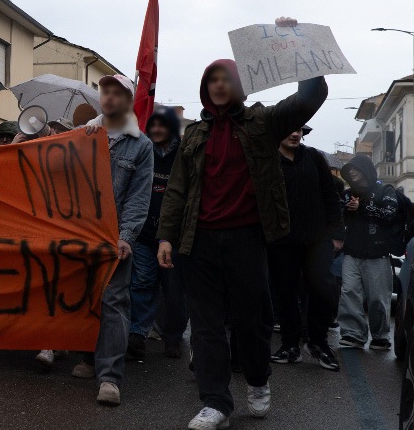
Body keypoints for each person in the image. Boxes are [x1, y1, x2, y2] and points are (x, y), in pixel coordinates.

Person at [156, 60, 327, 429]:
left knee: (251, 321)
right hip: (199, 240)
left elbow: (310, 98)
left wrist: (296, 46)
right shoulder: (194, 134)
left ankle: (257, 378)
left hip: (247, 238)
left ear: (241, 86)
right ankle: (216, 401)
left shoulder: (262, 123)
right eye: (212, 80)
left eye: (226, 79)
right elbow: (177, 190)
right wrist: (167, 236)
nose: (218, 85)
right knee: (205, 325)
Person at [71, 74, 154, 407]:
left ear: (127, 100)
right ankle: (85, 357)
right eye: (105, 90)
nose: (109, 97)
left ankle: (110, 376)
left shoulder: (141, 145)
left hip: (113, 238)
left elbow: (138, 196)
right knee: (79, 297)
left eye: (117, 92)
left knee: (114, 302)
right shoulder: (83, 136)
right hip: (78, 235)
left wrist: (126, 236)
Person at [266, 126, 343, 371]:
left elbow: (330, 195)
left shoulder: (314, 158)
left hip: (316, 239)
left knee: (324, 289)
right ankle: (290, 345)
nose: (295, 133)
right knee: (286, 294)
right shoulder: (268, 160)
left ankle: (317, 342)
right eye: (289, 128)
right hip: (282, 240)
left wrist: (337, 233)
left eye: (299, 129)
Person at [127, 105, 188, 360]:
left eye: (163, 125)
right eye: (154, 125)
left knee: (174, 292)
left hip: (174, 237)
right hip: (144, 234)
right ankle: (137, 335)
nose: (157, 129)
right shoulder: (142, 150)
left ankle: (172, 338)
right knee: (142, 284)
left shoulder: (184, 154)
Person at [337, 155, 398, 351]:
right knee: (349, 293)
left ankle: (380, 337)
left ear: (366, 170)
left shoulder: (385, 190)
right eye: (349, 170)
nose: (352, 173)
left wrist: (361, 207)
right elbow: (337, 217)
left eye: (356, 169)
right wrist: (345, 210)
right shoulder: (347, 194)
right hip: (351, 254)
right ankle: (352, 334)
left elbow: (389, 215)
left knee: (378, 298)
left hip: (378, 255)